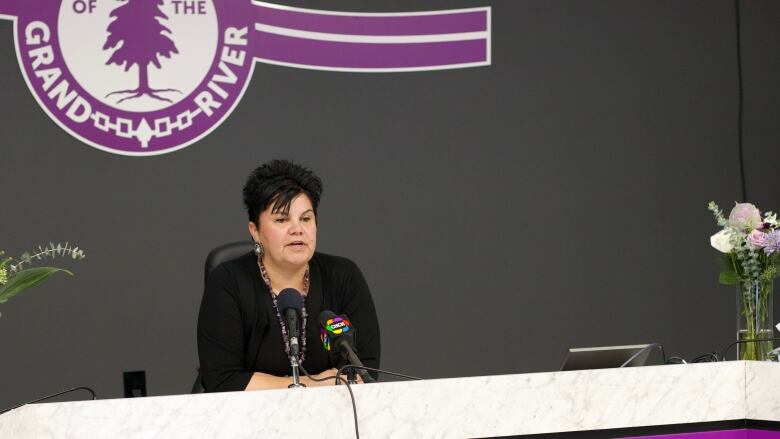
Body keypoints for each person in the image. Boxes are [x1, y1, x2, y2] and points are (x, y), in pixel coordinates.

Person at [197, 159, 381, 392]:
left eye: (306, 218)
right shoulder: (228, 282)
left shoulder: (343, 276)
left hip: (332, 419)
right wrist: (313, 385)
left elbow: (365, 371)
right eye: (282, 220)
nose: (297, 229)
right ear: (255, 231)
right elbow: (222, 380)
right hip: (249, 420)